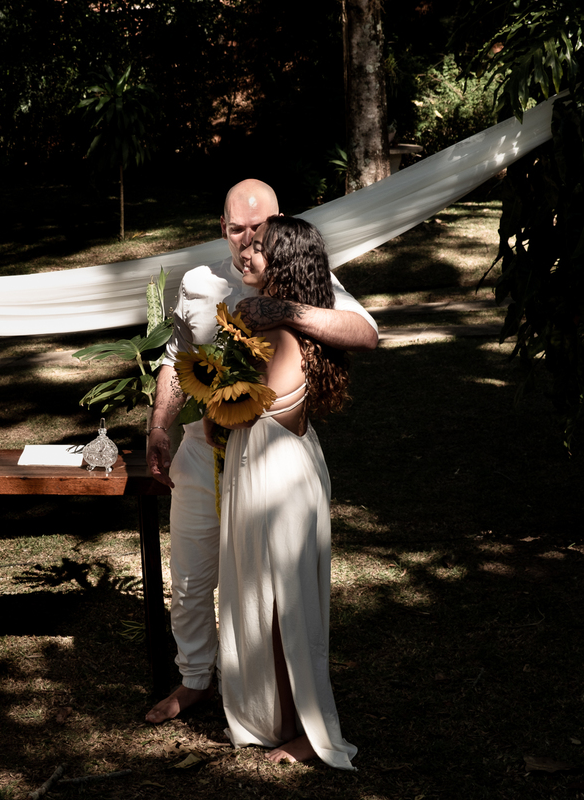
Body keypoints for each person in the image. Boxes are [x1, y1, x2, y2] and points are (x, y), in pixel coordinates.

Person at [145, 179, 377, 723]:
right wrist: (159, 425)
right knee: (191, 576)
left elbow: (365, 332)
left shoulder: (297, 270)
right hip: (201, 454)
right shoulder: (198, 282)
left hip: (264, 458)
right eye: (236, 230)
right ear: (221, 228)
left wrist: (284, 311)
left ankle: (270, 698)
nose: (247, 240)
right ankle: (196, 680)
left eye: (258, 229)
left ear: (277, 225)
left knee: (261, 584)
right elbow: (177, 358)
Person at [216, 215, 355, 767]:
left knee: (286, 605)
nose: (246, 254)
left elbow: (245, 408)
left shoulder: (279, 332)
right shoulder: (270, 323)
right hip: (267, 468)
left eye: (259, 249)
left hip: (278, 479)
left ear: (286, 265)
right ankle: (278, 716)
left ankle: (309, 732)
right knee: (267, 600)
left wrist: (213, 395)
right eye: (244, 244)